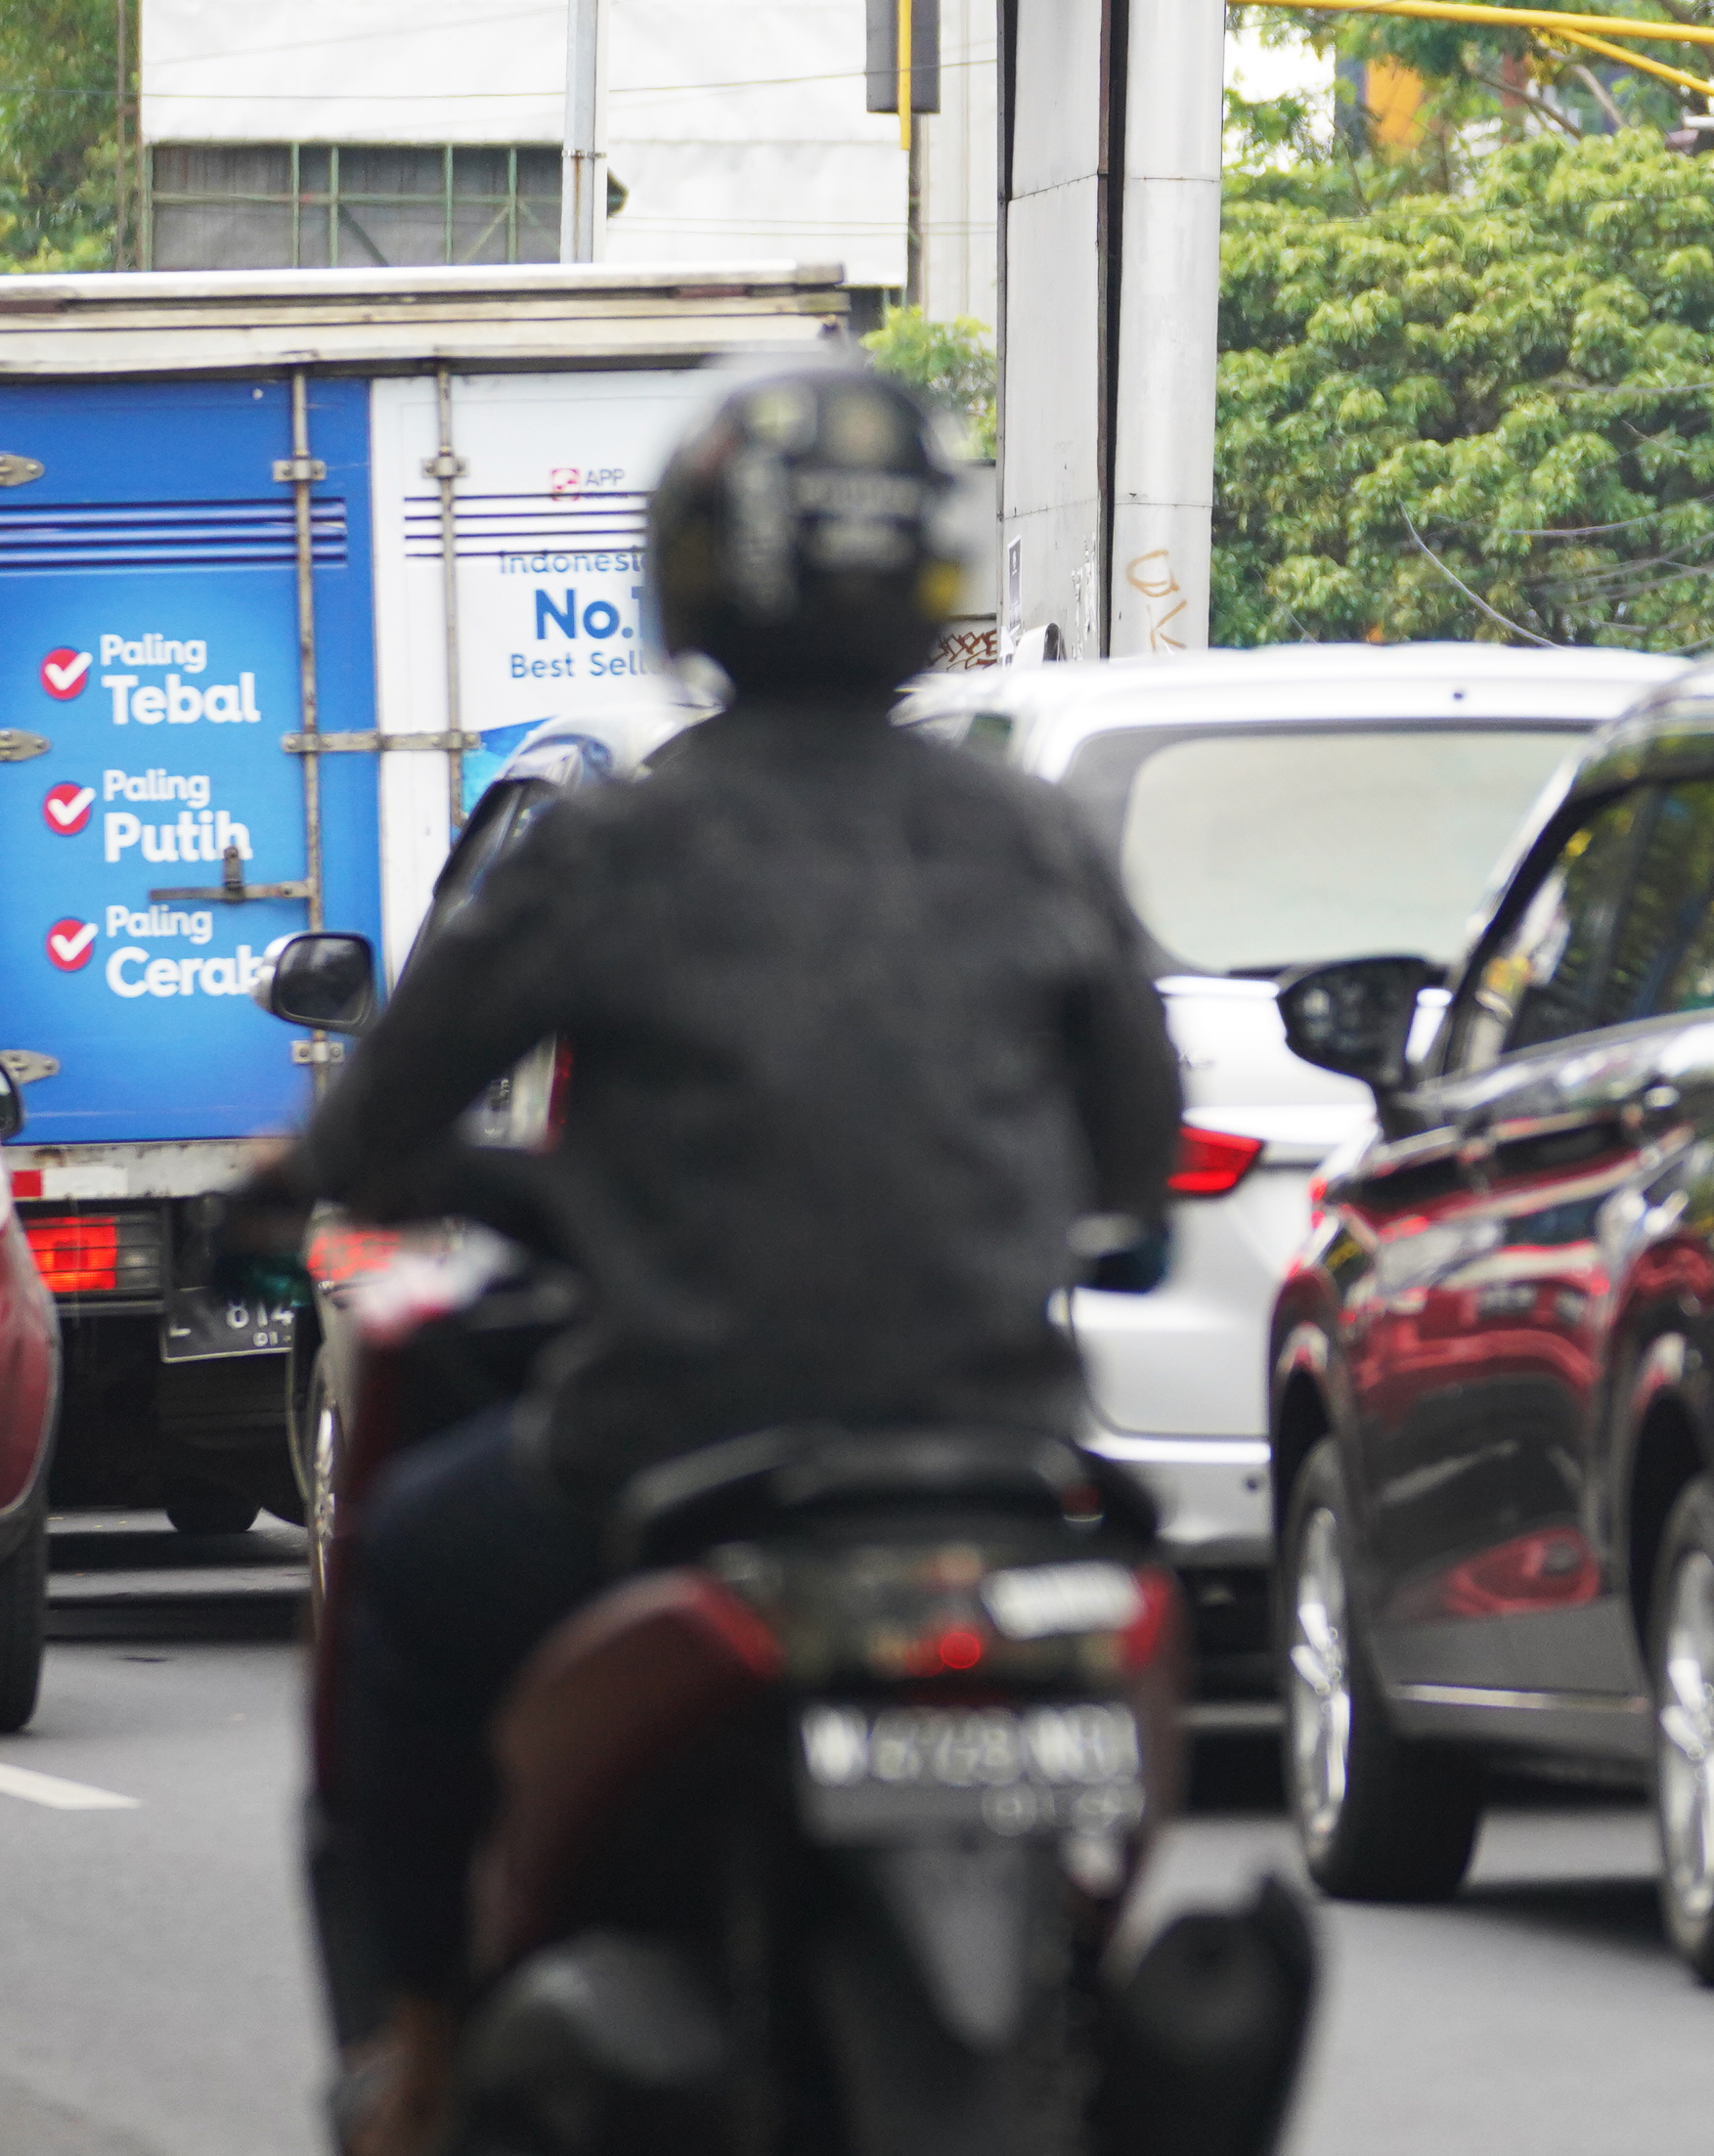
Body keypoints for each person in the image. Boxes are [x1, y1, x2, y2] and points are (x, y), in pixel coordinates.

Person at [253, 359, 1185, 2156]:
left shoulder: (619, 839)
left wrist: (289, 1181)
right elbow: (1133, 1151)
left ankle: (425, 2040)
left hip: (664, 1447)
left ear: (690, 578)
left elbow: (381, 1114)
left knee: (410, 1596)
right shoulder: (1029, 835)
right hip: (1005, 1466)